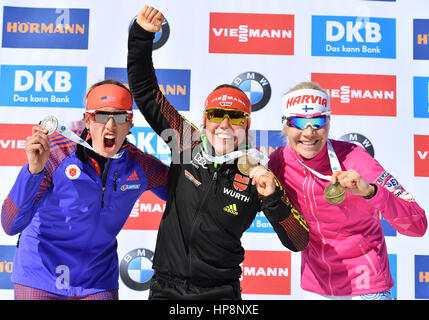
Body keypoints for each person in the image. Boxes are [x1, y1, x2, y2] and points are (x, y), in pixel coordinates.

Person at [127, 6, 309, 299]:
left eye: (235, 117)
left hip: (220, 293)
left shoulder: (257, 171)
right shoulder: (186, 142)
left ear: (247, 126)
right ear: (205, 120)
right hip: (166, 289)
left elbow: (298, 241)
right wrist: (141, 37)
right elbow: (146, 92)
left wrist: (273, 198)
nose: (225, 125)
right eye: (216, 114)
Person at [1, 80, 169, 300]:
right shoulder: (56, 154)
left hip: (96, 282)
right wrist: (33, 171)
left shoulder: (140, 166)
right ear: (88, 121)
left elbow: (187, 193)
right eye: (101, 116)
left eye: (119, 117)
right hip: (41, 276)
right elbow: (10, 224)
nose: (110, 126)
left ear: (130, 123)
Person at [268, 81, 427, 300]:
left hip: (366, 285)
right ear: (285, 125)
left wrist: (371, 192)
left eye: (318, 120)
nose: (309, 132)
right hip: (318, 286)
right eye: (298, 122)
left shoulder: (355, 158)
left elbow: (418, 225)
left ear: (329, 122)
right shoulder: (279, 162)